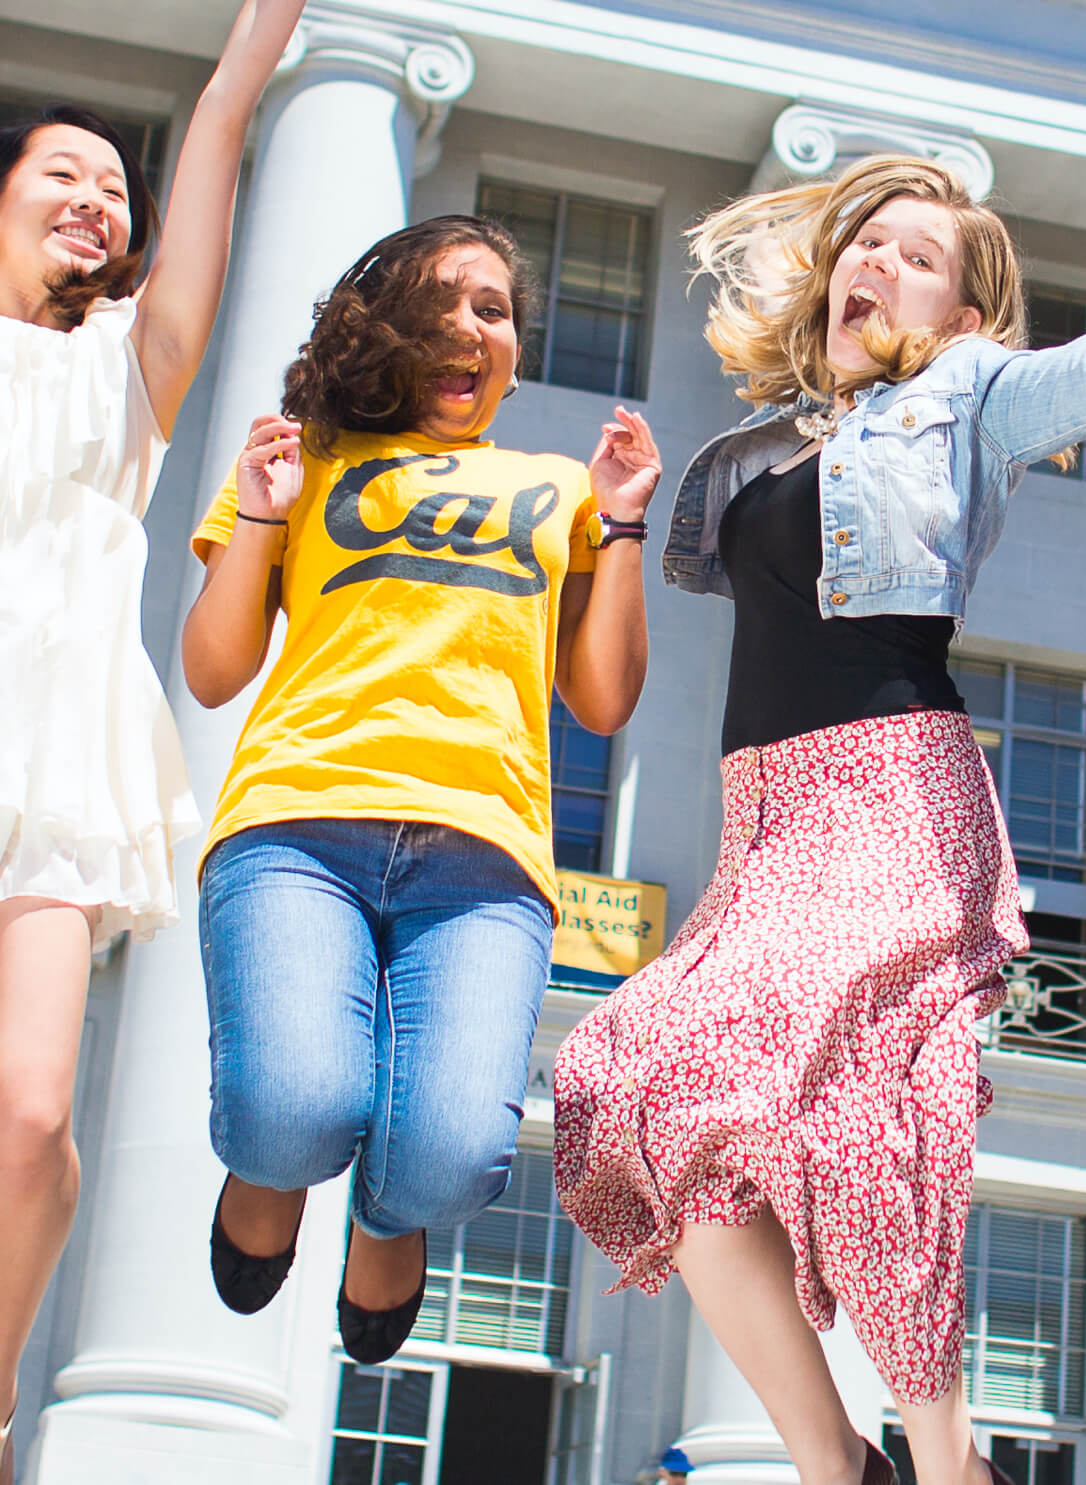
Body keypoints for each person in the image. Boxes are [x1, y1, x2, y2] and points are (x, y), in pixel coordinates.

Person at [553, 154, 1086, 1485]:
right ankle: (834, 1465)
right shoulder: (776, 437)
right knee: (622, 1086)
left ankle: (948, 1457)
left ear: (967, 317)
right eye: (872, 240)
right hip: (770, 834)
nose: (882, 263)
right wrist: (622, 522)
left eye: (923, 258)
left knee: (857, 1136)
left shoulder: (967, 396)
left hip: (894, 801)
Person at [181, 214, 660, 1363]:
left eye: (492, 308)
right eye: (439, 303)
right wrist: (259, 506)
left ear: (514, 348)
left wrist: (628, 518)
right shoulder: (312, 459)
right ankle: (274, 1163)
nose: (470, 326)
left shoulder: (558, 487)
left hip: (485, 857)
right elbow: (213, 668)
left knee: (450, 1162)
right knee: (296, 1111)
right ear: (382, 328)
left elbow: (601, 702)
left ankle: (389, 1213)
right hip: (299, 824)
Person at [0, 3, 305, 1477]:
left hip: (52, 744)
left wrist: (255, 38)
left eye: (115, 185)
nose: (97, 195)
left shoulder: (134, 360)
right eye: (62, 171)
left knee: (31, 1107)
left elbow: (229, 115)